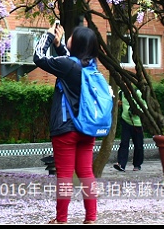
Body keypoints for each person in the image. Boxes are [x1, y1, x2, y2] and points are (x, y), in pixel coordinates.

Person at [33, 22, 99, 225]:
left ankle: (61, 220)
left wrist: (47, 35)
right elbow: (69, 63)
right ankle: (91, 218)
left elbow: (38, 57)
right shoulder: (92, 66)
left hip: (66, 130)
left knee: (64, 176)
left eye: (72, 36)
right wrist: (60, 44)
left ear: (77, 44)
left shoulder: (68, 65)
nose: (68, 37)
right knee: (86, 172)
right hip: (86, 129)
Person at [114, 88, 146, 172]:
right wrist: (118, 103)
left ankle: (137, 165)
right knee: (124, 143)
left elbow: (145, 106)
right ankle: (121, 164)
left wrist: (137, 110)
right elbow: (117, 101)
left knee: (138, 145)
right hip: (125, 121)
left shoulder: (138, 93)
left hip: (137, 123)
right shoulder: (121, 92)